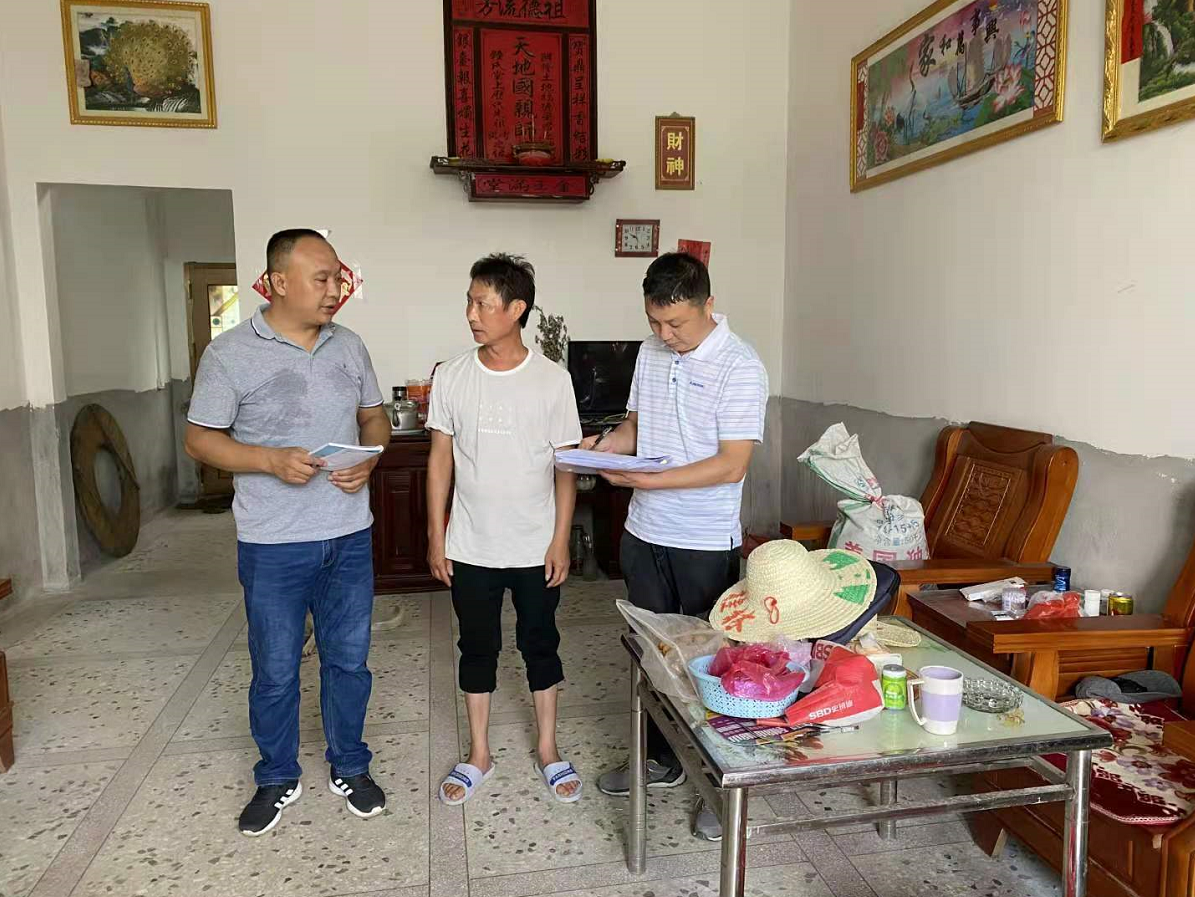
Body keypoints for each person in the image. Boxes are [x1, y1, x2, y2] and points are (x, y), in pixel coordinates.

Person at [185, 229, 392, 836]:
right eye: (321, 279)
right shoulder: (229, 354)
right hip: (272, 543)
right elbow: (200, 440)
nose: (334, 291)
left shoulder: (349, 345)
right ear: (277, 282)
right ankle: (277, 776)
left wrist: (371, 459)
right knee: (275, 669)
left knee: (348, 662)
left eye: (338, 279)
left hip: (349, 535)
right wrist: (268, 460)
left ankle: (350, 765)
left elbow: (375, 418)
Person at [590, 252, 768, 842]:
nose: (666, 335)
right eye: (655, 322)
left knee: (713, 665)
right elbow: (637, 426)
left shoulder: (741, 366)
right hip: (645, 533)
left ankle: (723, 781)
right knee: (653, 655)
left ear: (708, 305)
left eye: (677, 324)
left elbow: (731, 464)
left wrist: (649, 480)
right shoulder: (651, 352)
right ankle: (662, 760)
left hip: (703, 540)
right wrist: (605, 447)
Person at [426, 253, 584, 806]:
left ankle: (548, 748)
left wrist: (560, 539)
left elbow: (566, 467)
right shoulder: (451, 376)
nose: (471, 313)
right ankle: (479, 754)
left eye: (482, 303)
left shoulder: (552, 380)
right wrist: (436, 535)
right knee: (477, 647)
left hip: (536, 545)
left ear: (516, 309)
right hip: (471, 544)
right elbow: (439, 462)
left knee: (541, 643)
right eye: (469, 302)